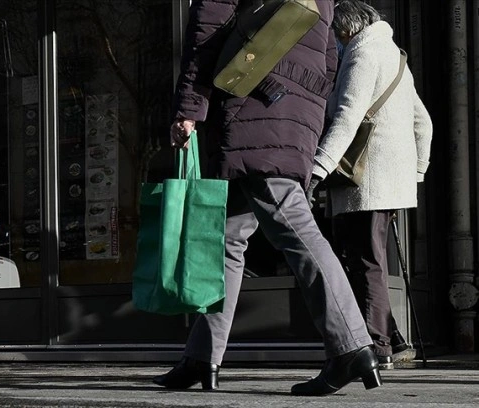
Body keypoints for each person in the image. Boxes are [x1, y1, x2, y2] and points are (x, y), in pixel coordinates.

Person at [152, 0, 381, 396]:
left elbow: (208, 31)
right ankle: (202, 355)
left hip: (252, 103)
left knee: (291, 223)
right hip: (291, 108)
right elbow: (328, 57)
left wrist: (188, 109)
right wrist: (304, 105)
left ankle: (351, 346)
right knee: (226, 237)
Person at [305, 0, 432, 370]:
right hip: (387, 181)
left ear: (346, 31)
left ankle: (378, 349)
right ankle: (392, 337)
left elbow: (347, 115)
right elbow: (423, 123)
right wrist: (416, 173)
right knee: (368, 259)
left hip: (365, 180)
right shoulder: (396, 58)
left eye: (335, 37)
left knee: (364, 262)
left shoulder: (361, 56)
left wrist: (318, 167)